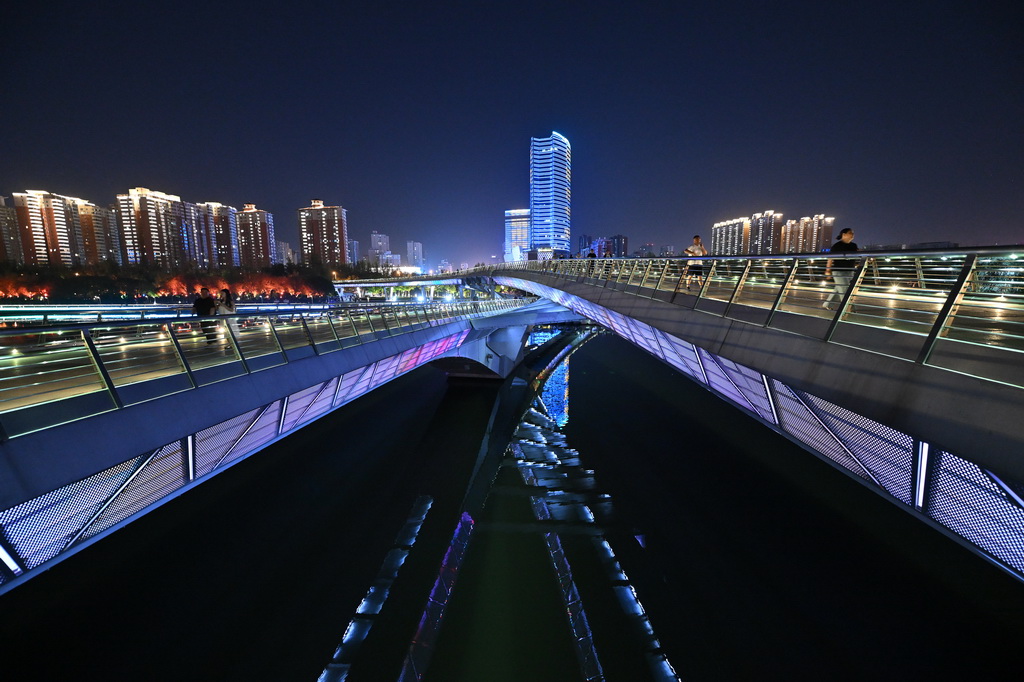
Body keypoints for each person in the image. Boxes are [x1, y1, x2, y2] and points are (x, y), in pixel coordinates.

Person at [823, 228, 858, 311]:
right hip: (838, 271)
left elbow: (856, 256)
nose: (852, 234)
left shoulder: (854, 246)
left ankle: (827, 304)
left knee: (839, 288)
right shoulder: (837, 246)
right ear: (844, 234)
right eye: (850, 233)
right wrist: (828, 270)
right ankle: (849, 308)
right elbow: (830, 259)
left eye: (853, 233)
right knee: (845, 289)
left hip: (850, 271)